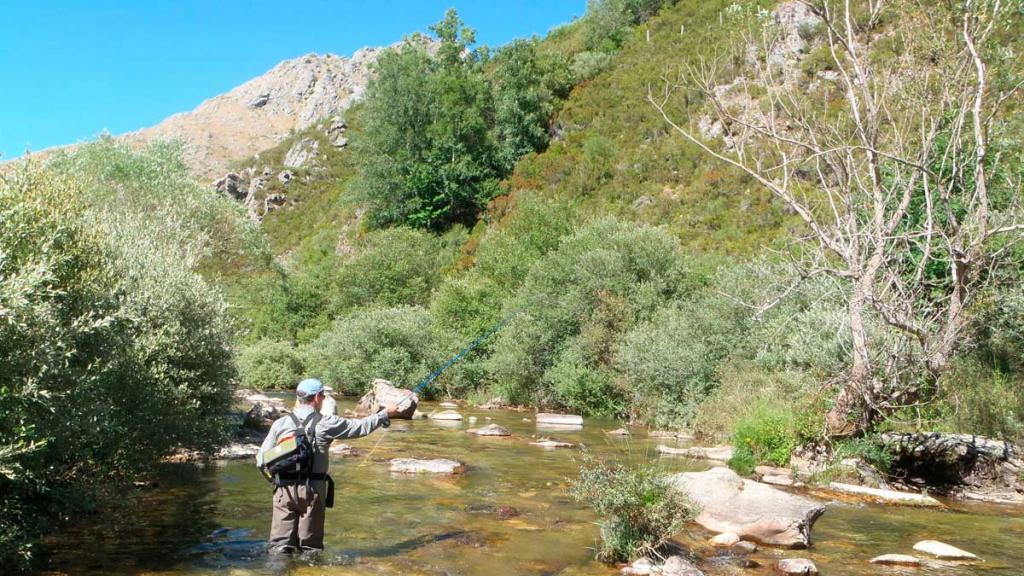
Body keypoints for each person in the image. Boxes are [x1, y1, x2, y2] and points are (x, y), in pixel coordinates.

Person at [257, 378, 401, 554]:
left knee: (279, 548)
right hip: (313, 491)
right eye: (323, 396)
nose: (323, 399)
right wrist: (385, 414)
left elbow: (260, 461)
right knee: (310, 550)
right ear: (317, 397)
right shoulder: (327, 423)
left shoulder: (280, 424)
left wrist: (276, 483)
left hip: (282, 491)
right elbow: (361, 427)